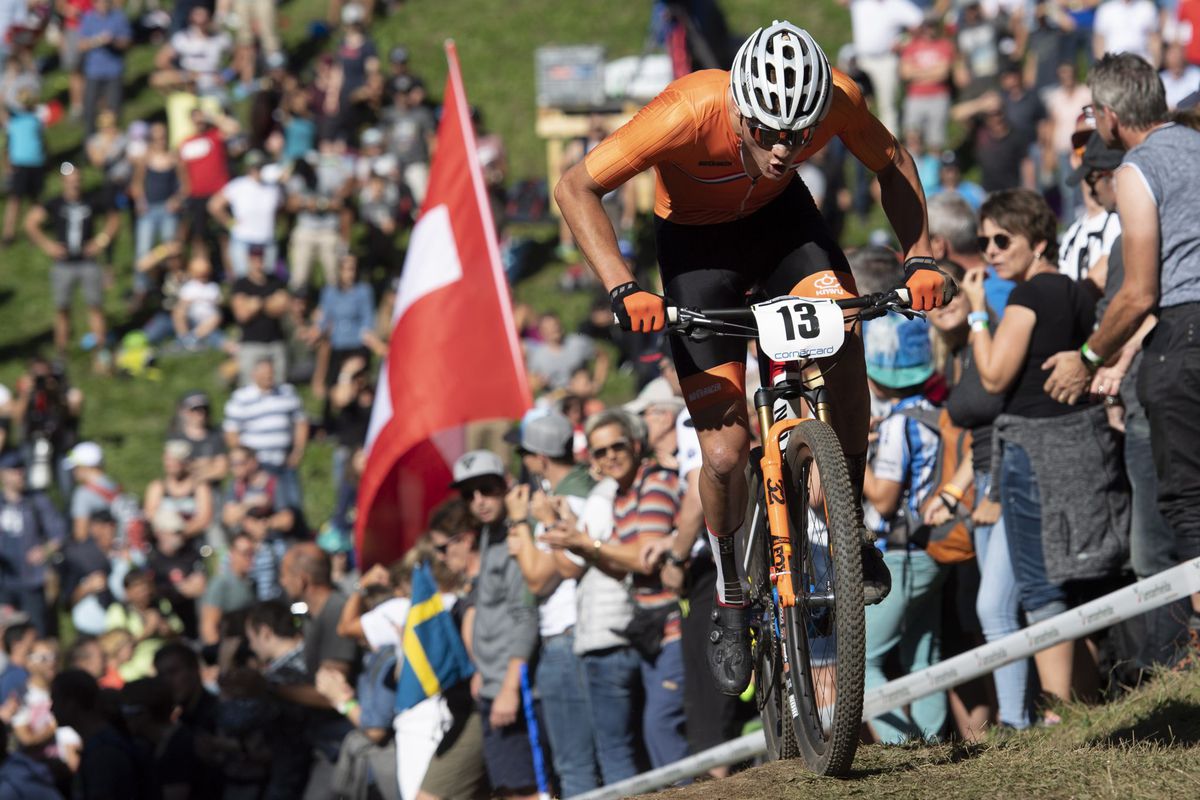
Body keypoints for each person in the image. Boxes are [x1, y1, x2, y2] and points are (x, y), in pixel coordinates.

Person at [554, 20, 952, 696]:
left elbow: (892, 162)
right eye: (765, 131)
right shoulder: (687, 109)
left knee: (845, 334)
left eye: (796, 137)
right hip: (695, 252)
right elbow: (573, 186)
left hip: (782, 232)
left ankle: (846, 520)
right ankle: (732, 596)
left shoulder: (837, 99)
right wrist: (622, 286)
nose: (780, 148)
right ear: (739, 105)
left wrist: (919, 255)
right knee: (724, 453)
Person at [1044, 53, 1200, 625]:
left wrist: (1088, 358)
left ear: (1109, 117)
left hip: (1184, 336)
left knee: (1188, 501)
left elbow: (1138, 293)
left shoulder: (1137, 169)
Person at [966, 188, 1126, 713]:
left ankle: (1059, 715)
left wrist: (975, 316)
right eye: (983, 240)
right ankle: (1082, 708)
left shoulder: (1027, 297)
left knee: (1040, 585)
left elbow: (993, 377)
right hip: (1084, 444)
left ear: (1037, 241)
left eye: (1001, 239)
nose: (989, 250)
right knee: (1074, 578)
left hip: (1033, 452)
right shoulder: (1079, 292)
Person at [539, 409, 688, 769]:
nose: (610, 457)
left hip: (677, 626)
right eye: (599, 452)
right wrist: (577, 541)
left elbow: (644, 558)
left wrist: (589, 546)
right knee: (653, 739)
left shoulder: (654, 482)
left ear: (636, 445)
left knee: (661, 729)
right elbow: (616, 567)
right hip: (652, 632)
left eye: (617, 446)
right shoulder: (620, 496)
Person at [504, 410, 599, 797]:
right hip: (574, 637)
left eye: (523, 454)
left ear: (539, 458)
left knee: (575, 766)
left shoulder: (567, 499)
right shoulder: (582, 488)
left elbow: (538, 577)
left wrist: (518, 526)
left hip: (565, 639)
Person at [449, 450, 541, 800]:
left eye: (486, 489)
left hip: (511, 685)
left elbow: (525, 615)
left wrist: (509, 687)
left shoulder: (517, 535)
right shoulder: (489, 534)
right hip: (491, 682)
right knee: (507, 787)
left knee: (524, 789)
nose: (479, 501)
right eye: (468, 494)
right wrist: (482, 672)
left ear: (505, 486)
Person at [24, 163, 120, 361]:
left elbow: (113, 219)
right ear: (63, 183)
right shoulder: (56, 203)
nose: (74, 185)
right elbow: (31, 222)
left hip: (88, 261)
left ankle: (100, 353)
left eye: (77, 181)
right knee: (62, 308)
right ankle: (62, 353)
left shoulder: (91, 200)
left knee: (95, 307)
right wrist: (48, 245)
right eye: (70, 182)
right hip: (64, 264)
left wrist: (100, 241)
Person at [223, 358, 308, 512]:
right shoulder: (241, 398)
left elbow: (300, 422)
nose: (268, 377)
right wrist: (242, 462)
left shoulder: (287, 393)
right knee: (261, 507)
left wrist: (298, 450)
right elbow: (231, 432)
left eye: (271, 373)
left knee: (292, 506)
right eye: (264, 374)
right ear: (254, 374)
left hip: (284, 461)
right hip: (257, 465)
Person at [0, 451, 65, 634]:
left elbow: (59, 533)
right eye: (14, 470)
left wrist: (44, 550)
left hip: (31, 580)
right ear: (2, 474)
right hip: (3, 581)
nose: (20, 474)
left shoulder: (37, 501)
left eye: (21, 469)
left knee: (35, 631)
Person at [230, 250, 290, 385]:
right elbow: (242, 315)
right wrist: (269, 302)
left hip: (276, 341)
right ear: (248, 261)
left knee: (279, 386)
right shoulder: (241, 284)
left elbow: (282, 307)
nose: (258, 263)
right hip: (251, 344)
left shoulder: (275, 281)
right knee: (249, 387)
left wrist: (255, 303)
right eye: (254, 259)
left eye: (261, 258)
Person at [76, 0, 130, 136]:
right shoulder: (88, 18)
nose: (102, 5)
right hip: (93, 71)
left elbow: (127, 42)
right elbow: (81, 45)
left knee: (113, 110)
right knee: (90, 110)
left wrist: (113, 42)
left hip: (114, 71)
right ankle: (90, 142)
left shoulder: (119, 17)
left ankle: (113, 142)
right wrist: (97, 41)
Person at [199, 532, 257, 646]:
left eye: (252, 553)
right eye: (245, 553)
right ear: (232, 554)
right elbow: (209, 627)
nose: (250, 558)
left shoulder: (251, 582)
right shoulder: (221, 583)